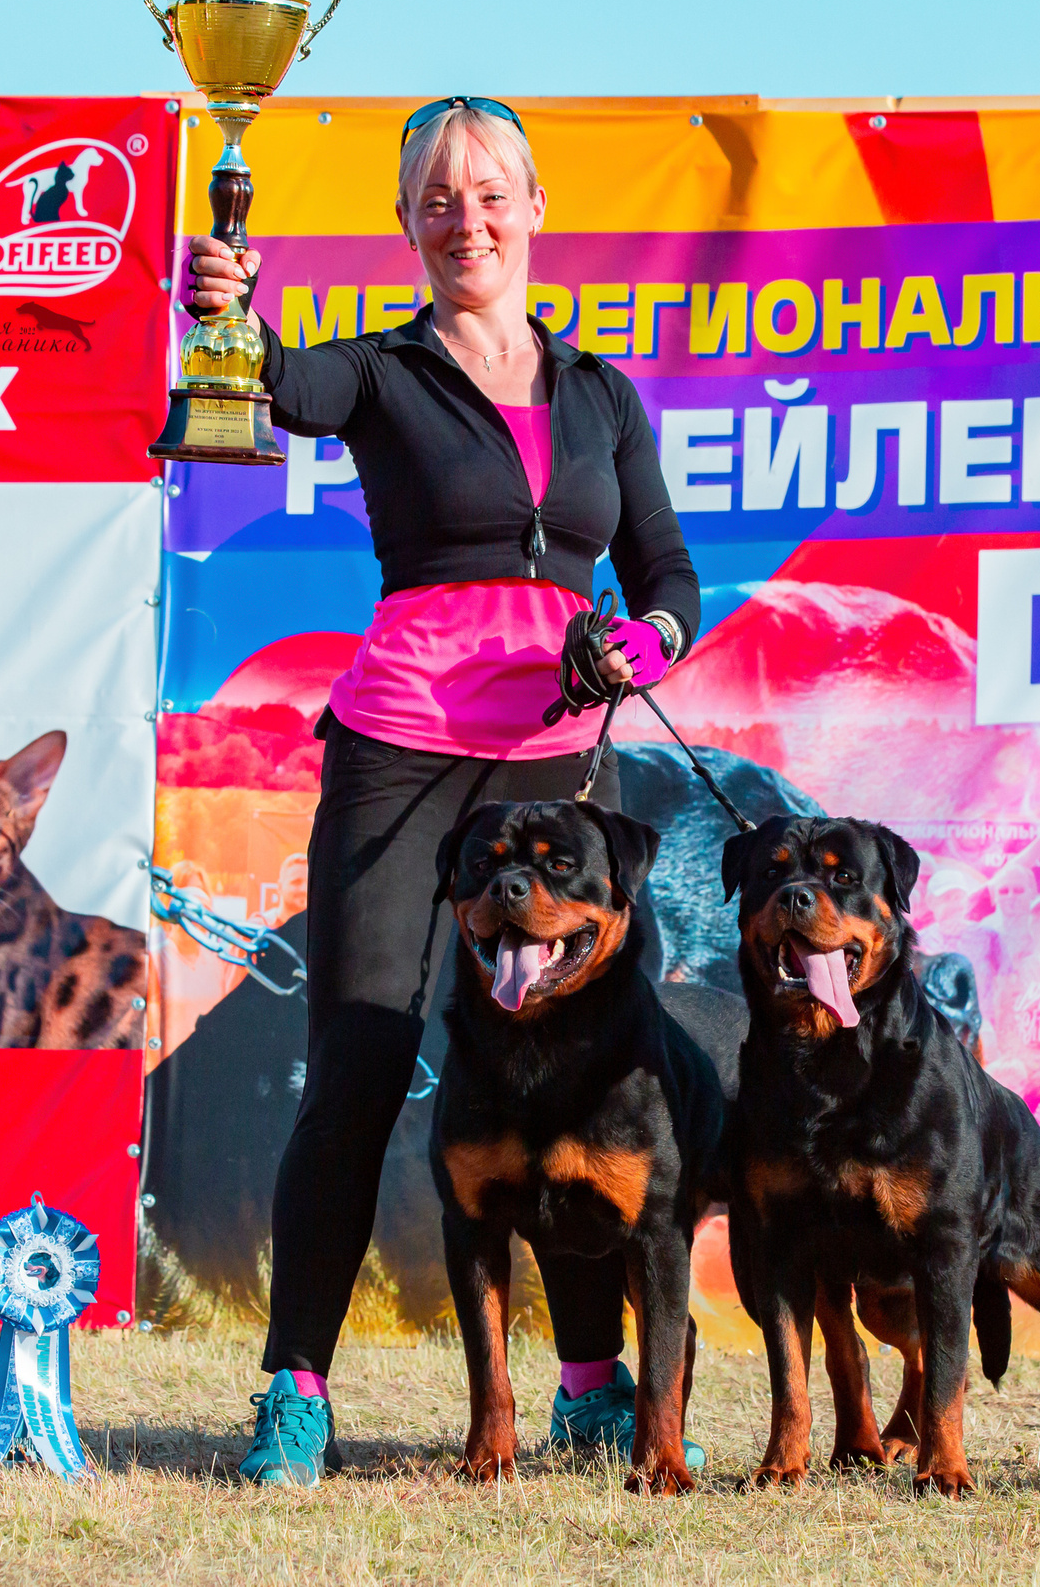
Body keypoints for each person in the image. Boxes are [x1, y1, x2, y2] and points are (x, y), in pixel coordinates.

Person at [182, 97, 704, 1486]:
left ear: (536, 207)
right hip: (403, 758)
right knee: (354, 1061)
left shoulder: (601, 392)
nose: (465, 216)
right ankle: (296, 1387)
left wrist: (640, 646)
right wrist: (224, 312)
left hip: (558, 770)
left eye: (490, 191)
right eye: (436, 196)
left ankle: (590, 1389)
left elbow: (666, 573)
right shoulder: (384, 372)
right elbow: (275, 382)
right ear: (408, 222)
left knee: (580, 1077)